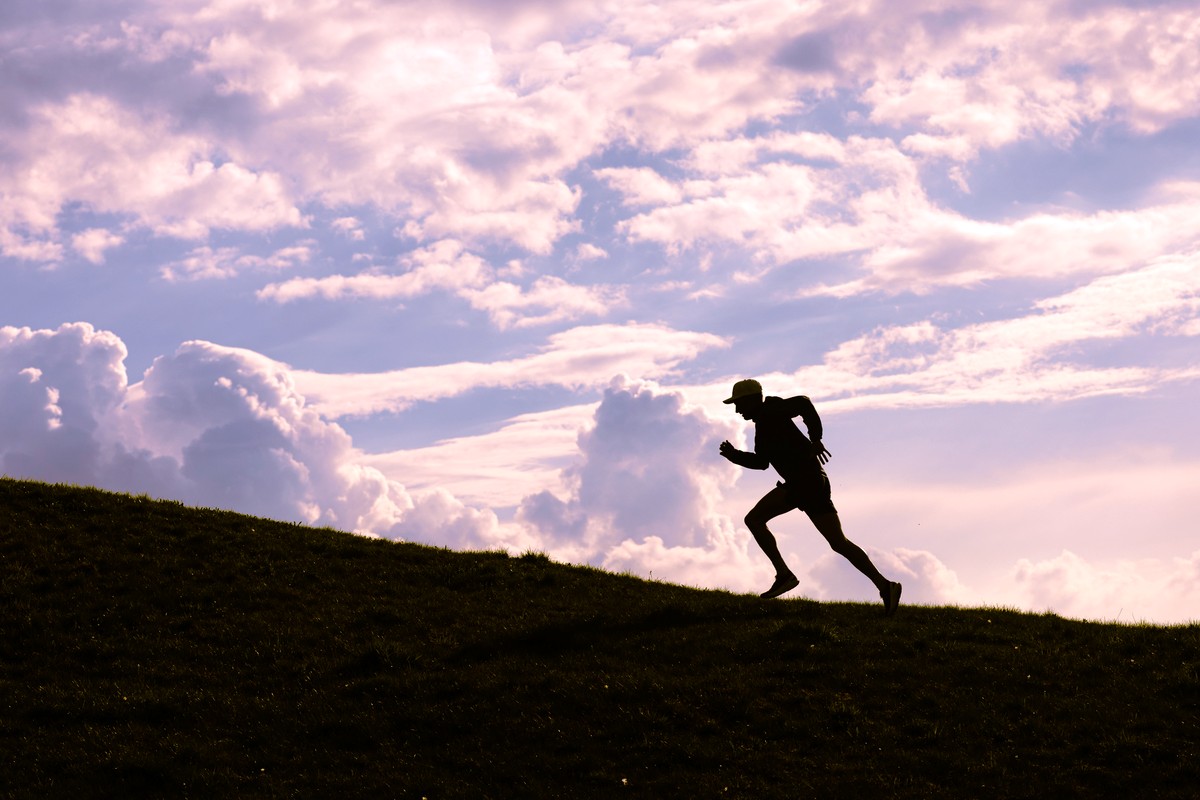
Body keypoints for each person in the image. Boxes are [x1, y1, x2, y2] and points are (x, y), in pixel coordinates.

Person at [718, 378, 902, 614]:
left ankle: (784, 575)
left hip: (804, 482)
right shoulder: (762, 424)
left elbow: (804, 403)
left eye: (739, 403)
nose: (737, 410)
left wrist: (816, 438)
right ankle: (885, 586)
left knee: (754, 519)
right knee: (839, 543)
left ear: (752, 400)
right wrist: (734, 455)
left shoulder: (772, 409)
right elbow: (762, 462)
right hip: (812, 482)